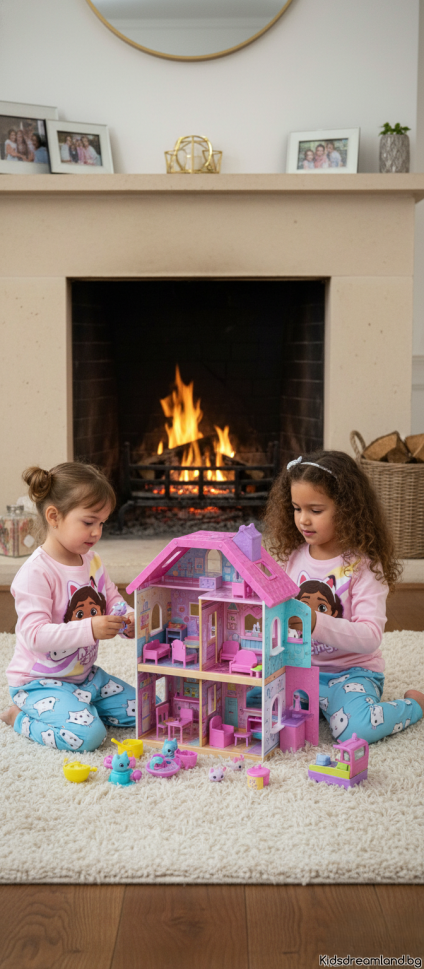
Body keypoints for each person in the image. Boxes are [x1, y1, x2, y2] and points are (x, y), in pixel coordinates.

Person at [264, 450, 424, 744]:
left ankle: (414, 705)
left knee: (356, 729)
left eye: (315, 510)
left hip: (350, 674)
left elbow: (371, 636)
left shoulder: (364, 566)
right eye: (297, 509)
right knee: (247, 700)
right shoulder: (292, 556)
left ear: (347, 509)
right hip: (298, 668)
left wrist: (316, 622)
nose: (303, 520)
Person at [0, 462, 136, 752]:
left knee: (148, 709)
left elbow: (112, 599)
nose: (97, 532)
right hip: (39, 684)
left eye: (102, 523)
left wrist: (129, 619)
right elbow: (34, 635)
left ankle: (81, 707)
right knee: (89, 736)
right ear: (54, 516)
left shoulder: (92, 561)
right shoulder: (36, 573)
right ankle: (18, 717)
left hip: (86, 678)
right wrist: (90, 629)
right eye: (88, 522)